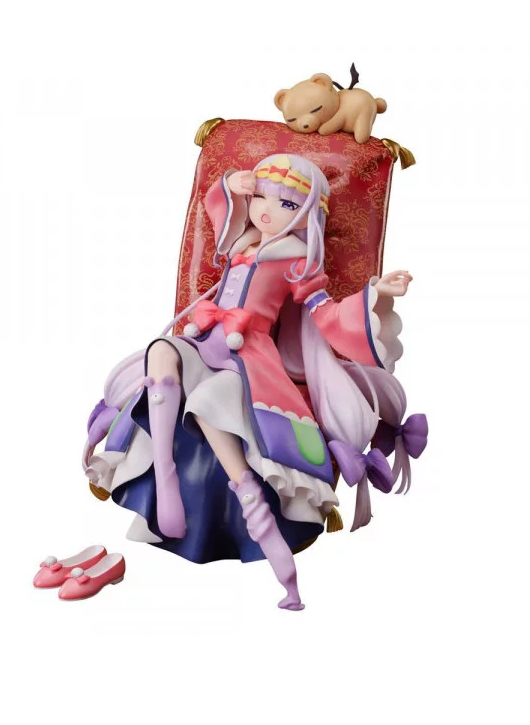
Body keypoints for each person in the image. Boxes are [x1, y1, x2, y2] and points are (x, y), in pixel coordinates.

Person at [84, 153, 417, 611]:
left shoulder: (296, 260)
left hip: (247, 356)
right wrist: (231, 183)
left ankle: (249, 498)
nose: (266, 209)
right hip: (204, 340)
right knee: (160, 350)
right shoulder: (240, 243)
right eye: (260, 196)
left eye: (285, 204)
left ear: (305, 215)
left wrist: (375, 293)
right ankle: (165, 475)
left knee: (207, 402)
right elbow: (216, 207)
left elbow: (325, 314)